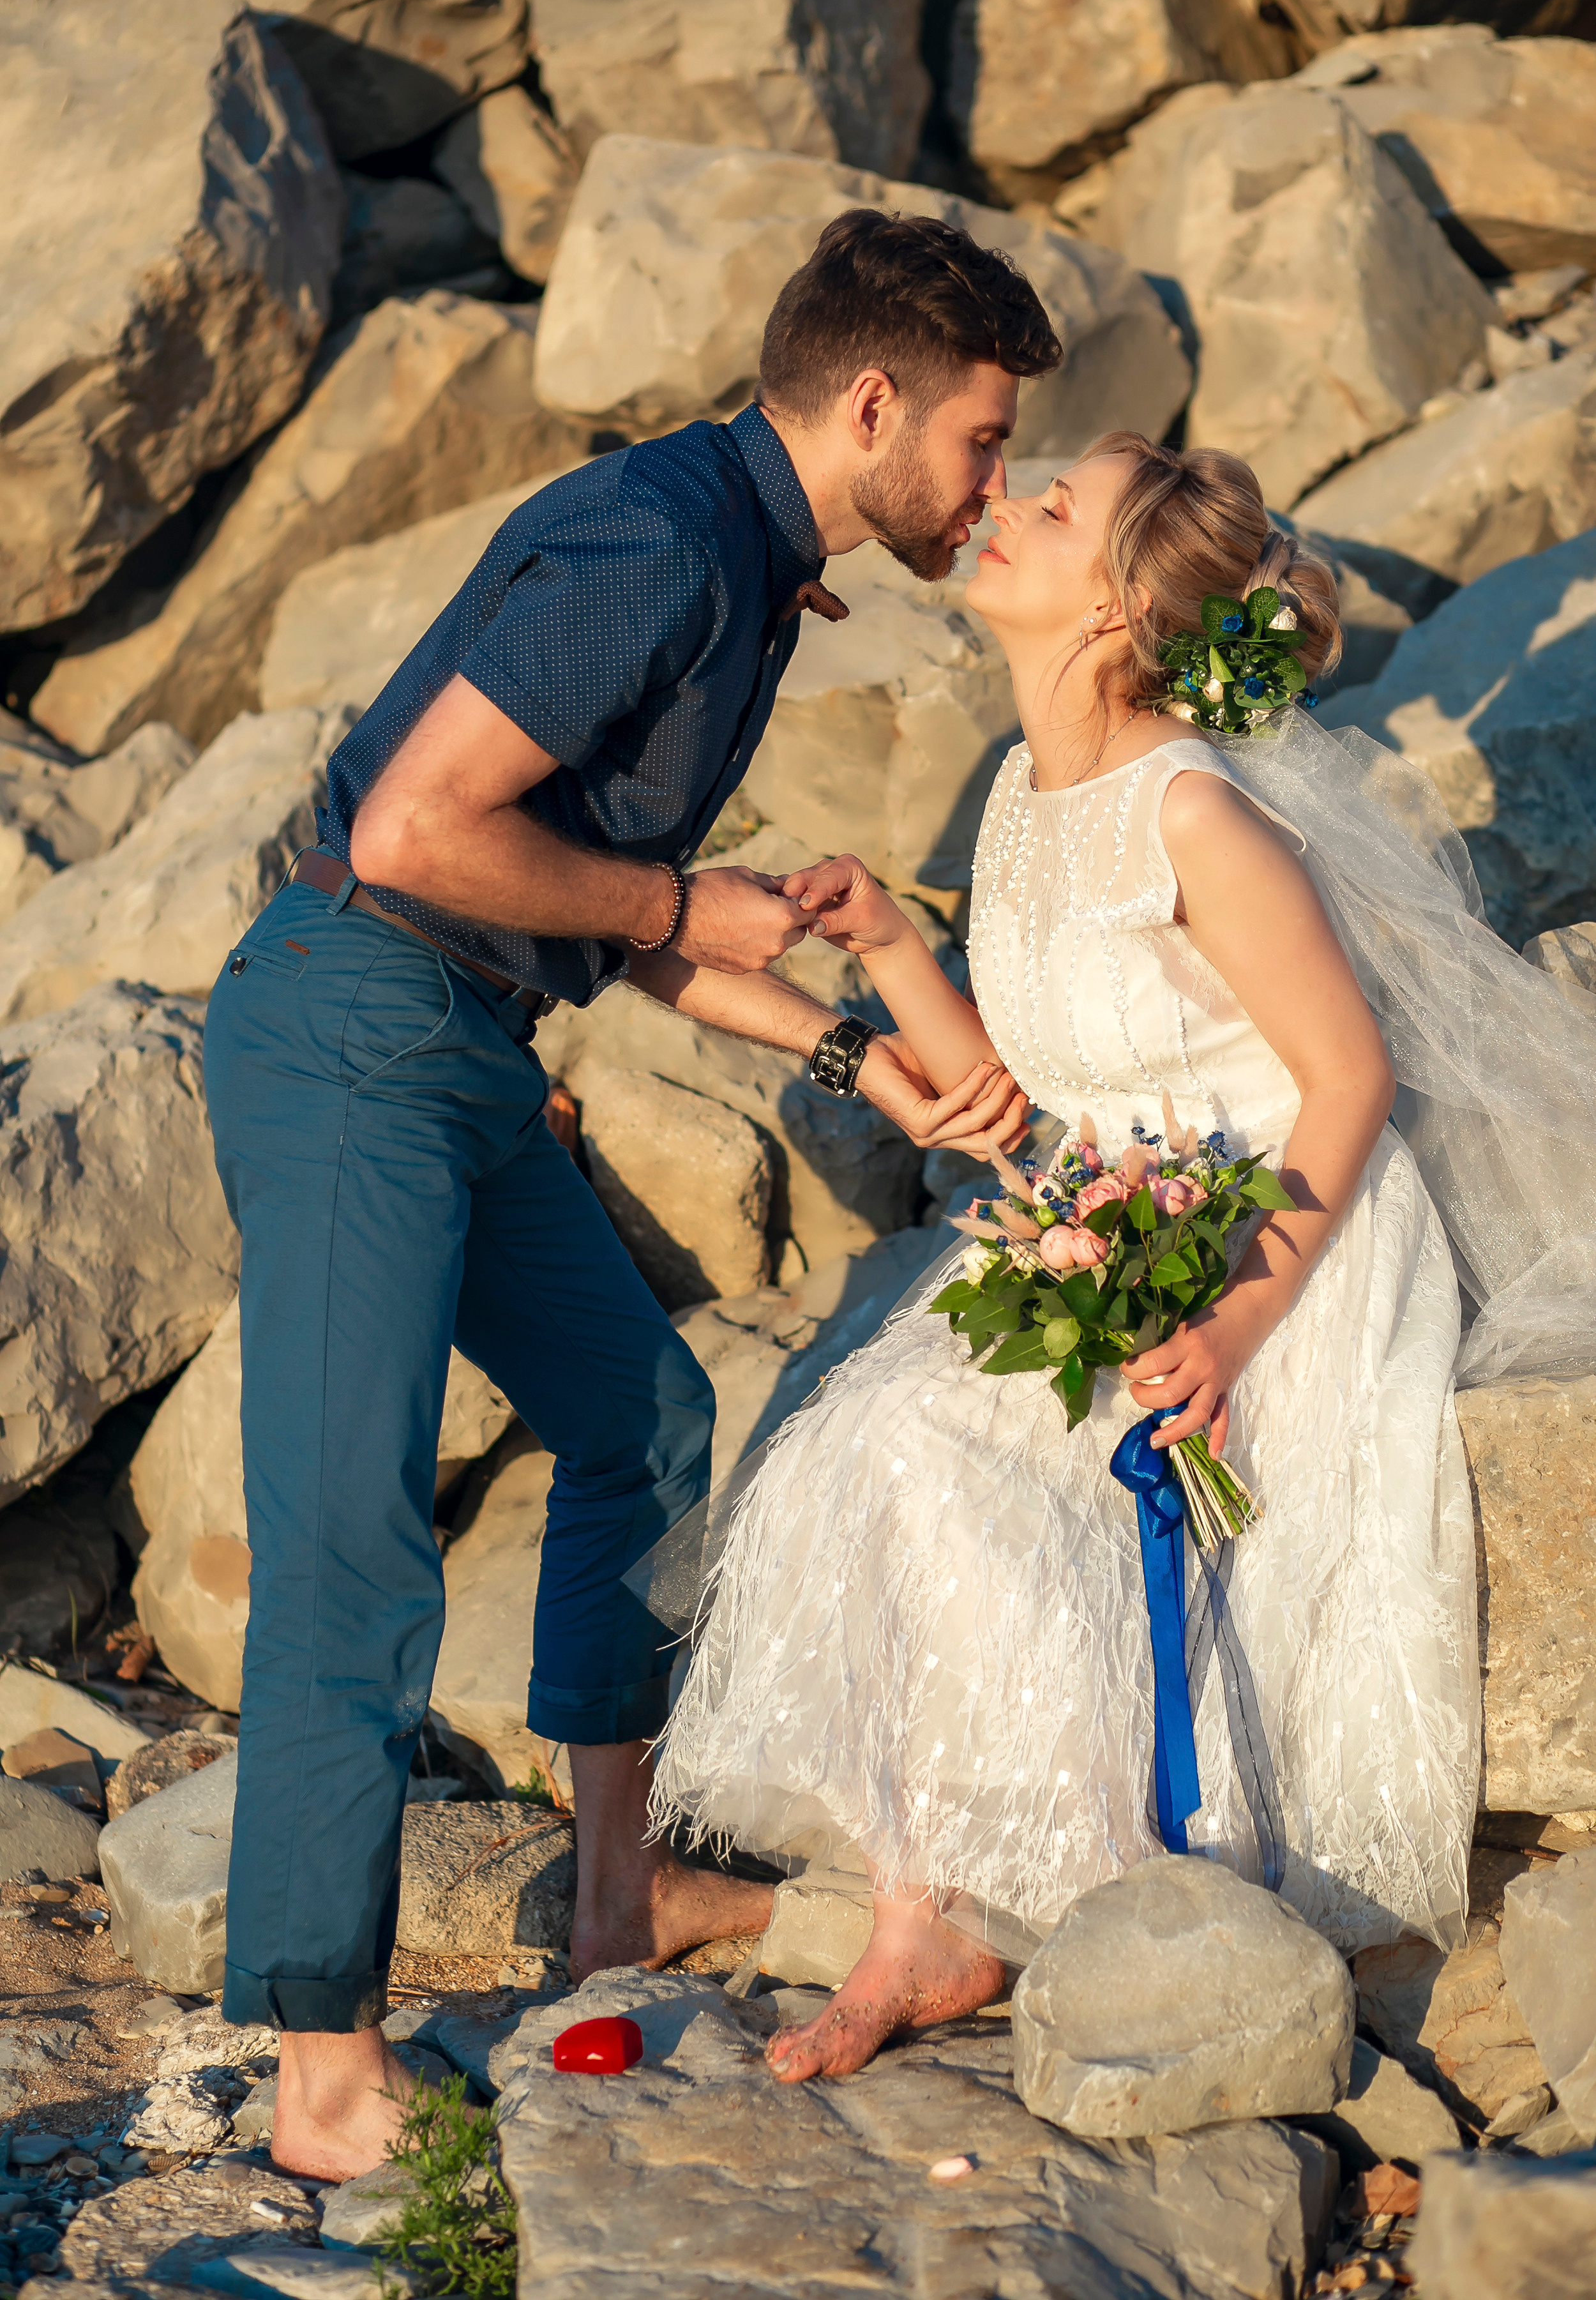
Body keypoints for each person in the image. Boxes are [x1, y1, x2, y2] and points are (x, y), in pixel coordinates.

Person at [200, 208, 1062, 2179]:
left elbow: (619, 914)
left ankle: (615, 1894)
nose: (987, 482)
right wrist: (678, 900)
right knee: (352, 1540)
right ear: (872, 403)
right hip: (353, 1027)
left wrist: (855, 1060)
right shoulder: (662, 545)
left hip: (465, 1042)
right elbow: (418, 831)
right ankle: (322, 2073)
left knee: (640, 1415)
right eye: (980, 439)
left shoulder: (741, 564)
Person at [651, 432, 1492, 2082]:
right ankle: (925, 1912)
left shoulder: (1197, 813)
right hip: (1106, 1225)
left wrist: (1233, 1331)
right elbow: (1022, 1103)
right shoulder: (1023, 802)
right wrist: (891, 943)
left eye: (1051, 511)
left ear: (1112, 609)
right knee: (870, 1436)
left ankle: (1046, 1893)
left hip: (1269, 1243)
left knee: (951, 1464)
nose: (1002, 509)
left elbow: (1348, 1079)